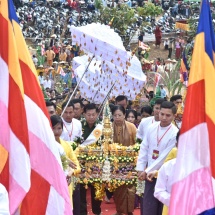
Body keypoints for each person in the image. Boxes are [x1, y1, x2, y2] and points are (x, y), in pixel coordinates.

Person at [136, 101, 178, 215]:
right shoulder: (151, 128)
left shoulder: (175, 133)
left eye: (168, 115)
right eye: (162, 114)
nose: (164, 117)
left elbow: (165, 156)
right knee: (149, 206)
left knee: (162, 207)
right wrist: (140, 168)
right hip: (149, 174)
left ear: (174, 116)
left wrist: (147, 170)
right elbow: (144, 148)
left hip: (163, 173)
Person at [50, 115, 81, 210]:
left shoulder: (67, 145)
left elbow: (77, 166)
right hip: (51, 184)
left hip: (66, 184)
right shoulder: (44, 146)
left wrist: (71, 172)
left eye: (59, 128)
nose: (56, 131)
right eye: (53, 128)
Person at [112, 105, 137, 215]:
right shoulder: (107, 127)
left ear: (124, 115)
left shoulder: (131, 127)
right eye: (115, 115)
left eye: (120, 115)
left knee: (129, 188)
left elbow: (138, 144)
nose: (117, 117)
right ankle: (120, 210)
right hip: (114, 163)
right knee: (117, 187)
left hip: (130, 162)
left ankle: (129, 211)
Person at [80, 103, 102, 215]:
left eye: (94, 114)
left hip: (96, 163)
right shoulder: (79, 126)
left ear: (97, 114)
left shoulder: (101, 128)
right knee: (82, 188)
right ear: (84, 114)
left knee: (96, 188)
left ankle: (97, 211)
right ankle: (83, 212)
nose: (91, 117)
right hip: (82, 162)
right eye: (89, 114)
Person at [153, 131, 180, 215]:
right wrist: (175, 201)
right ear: (176, 145)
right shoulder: (168, 167)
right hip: (171, 209)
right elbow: (159, 191)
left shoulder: (203, 168)